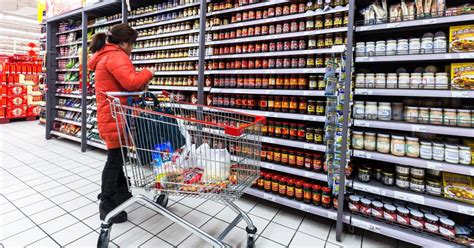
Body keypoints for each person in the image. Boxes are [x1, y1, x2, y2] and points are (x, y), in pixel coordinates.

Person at [88, 23, 155, 223]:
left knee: (117, 157)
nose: (132, 48)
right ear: (124, 42)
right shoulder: (116, 56)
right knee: (115, 160)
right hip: (115, 117)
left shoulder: (105, 55)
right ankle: (107, 205)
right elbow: (131, 82)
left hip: (113, 115)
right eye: (132, 44)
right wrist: (148, 72)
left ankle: (122, 193)